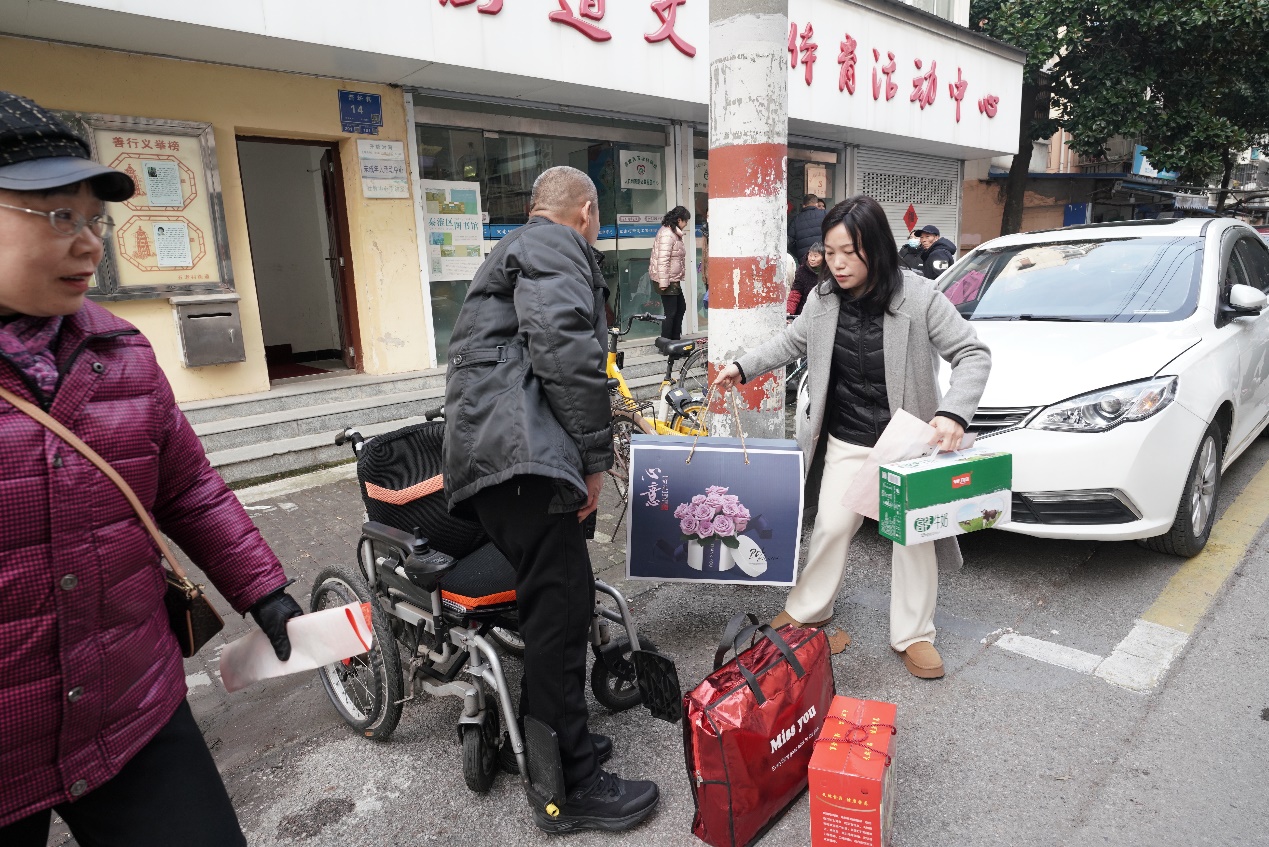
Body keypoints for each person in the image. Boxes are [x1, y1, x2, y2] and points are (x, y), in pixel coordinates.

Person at [0, 91, 302, 845]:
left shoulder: (122, 352)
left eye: (94, 219)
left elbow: (187, 487)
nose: (89, 245)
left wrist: (264, 590)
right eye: (58, 216)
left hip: (130, 706)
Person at [442, 165, 659, 833]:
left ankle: (547, 754)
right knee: (561, 618)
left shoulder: (512, 249)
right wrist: (595, 458)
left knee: (553, 611)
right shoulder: (554, 245)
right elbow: (566, 351)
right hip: (524, 464)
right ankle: (571, 788)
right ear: (585, 212)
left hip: (497, 462)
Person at [713, 195, 991, 679]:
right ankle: (808, 611)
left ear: (875, 248)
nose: (837, 264)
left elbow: (973, 354)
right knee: (832, 526)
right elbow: (792, 340)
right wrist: (743, 366)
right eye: (830, 252)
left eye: (849, 252)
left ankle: (914, 634)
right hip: (848, 435)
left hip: (908, 441)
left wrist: (953, 413)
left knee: (913, 540)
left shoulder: (919, 296)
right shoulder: (822, 300)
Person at [649, 205, 690, 340]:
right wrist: (664, 282)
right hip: (667, 280)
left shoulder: (673, 232)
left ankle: (674, 339)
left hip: (672, 279)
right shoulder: (668, 234)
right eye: (686, 221)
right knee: (671, 312)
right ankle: (666, 342)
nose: (686, 224)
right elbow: (663, 260)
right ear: (679, 220)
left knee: (680, 308)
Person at [788, 192, 827, 265]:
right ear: (816, 204)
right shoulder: (825, 214)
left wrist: (799, 252)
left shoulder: (796, 220)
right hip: (824, 257)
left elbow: (789, 242)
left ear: (803, 205)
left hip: (805, 259)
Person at [786, 242, 824, 317]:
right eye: (810, 255)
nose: (812, 259)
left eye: (815, 256)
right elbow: (795, 293)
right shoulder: (802, 271)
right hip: (803, 313)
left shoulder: (829, 272)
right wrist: (789, 311)